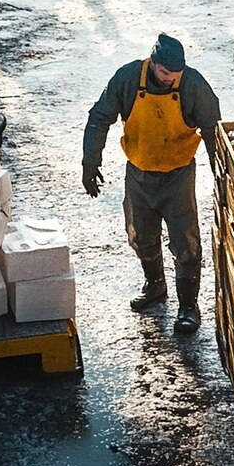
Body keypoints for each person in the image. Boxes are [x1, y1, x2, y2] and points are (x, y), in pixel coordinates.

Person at [82, 33, 220, 334]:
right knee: (141, 236)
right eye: (165, 73)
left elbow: (212, 130)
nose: (171, 78)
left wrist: (220, 174)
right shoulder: (128, 78)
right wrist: (90, 162)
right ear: (153, 64)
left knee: (185, 243)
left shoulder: (193, 85)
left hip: (178, 176)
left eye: (176, 74)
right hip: (139, 174)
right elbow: (99, 117)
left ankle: (188, 306)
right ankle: (155, 286)